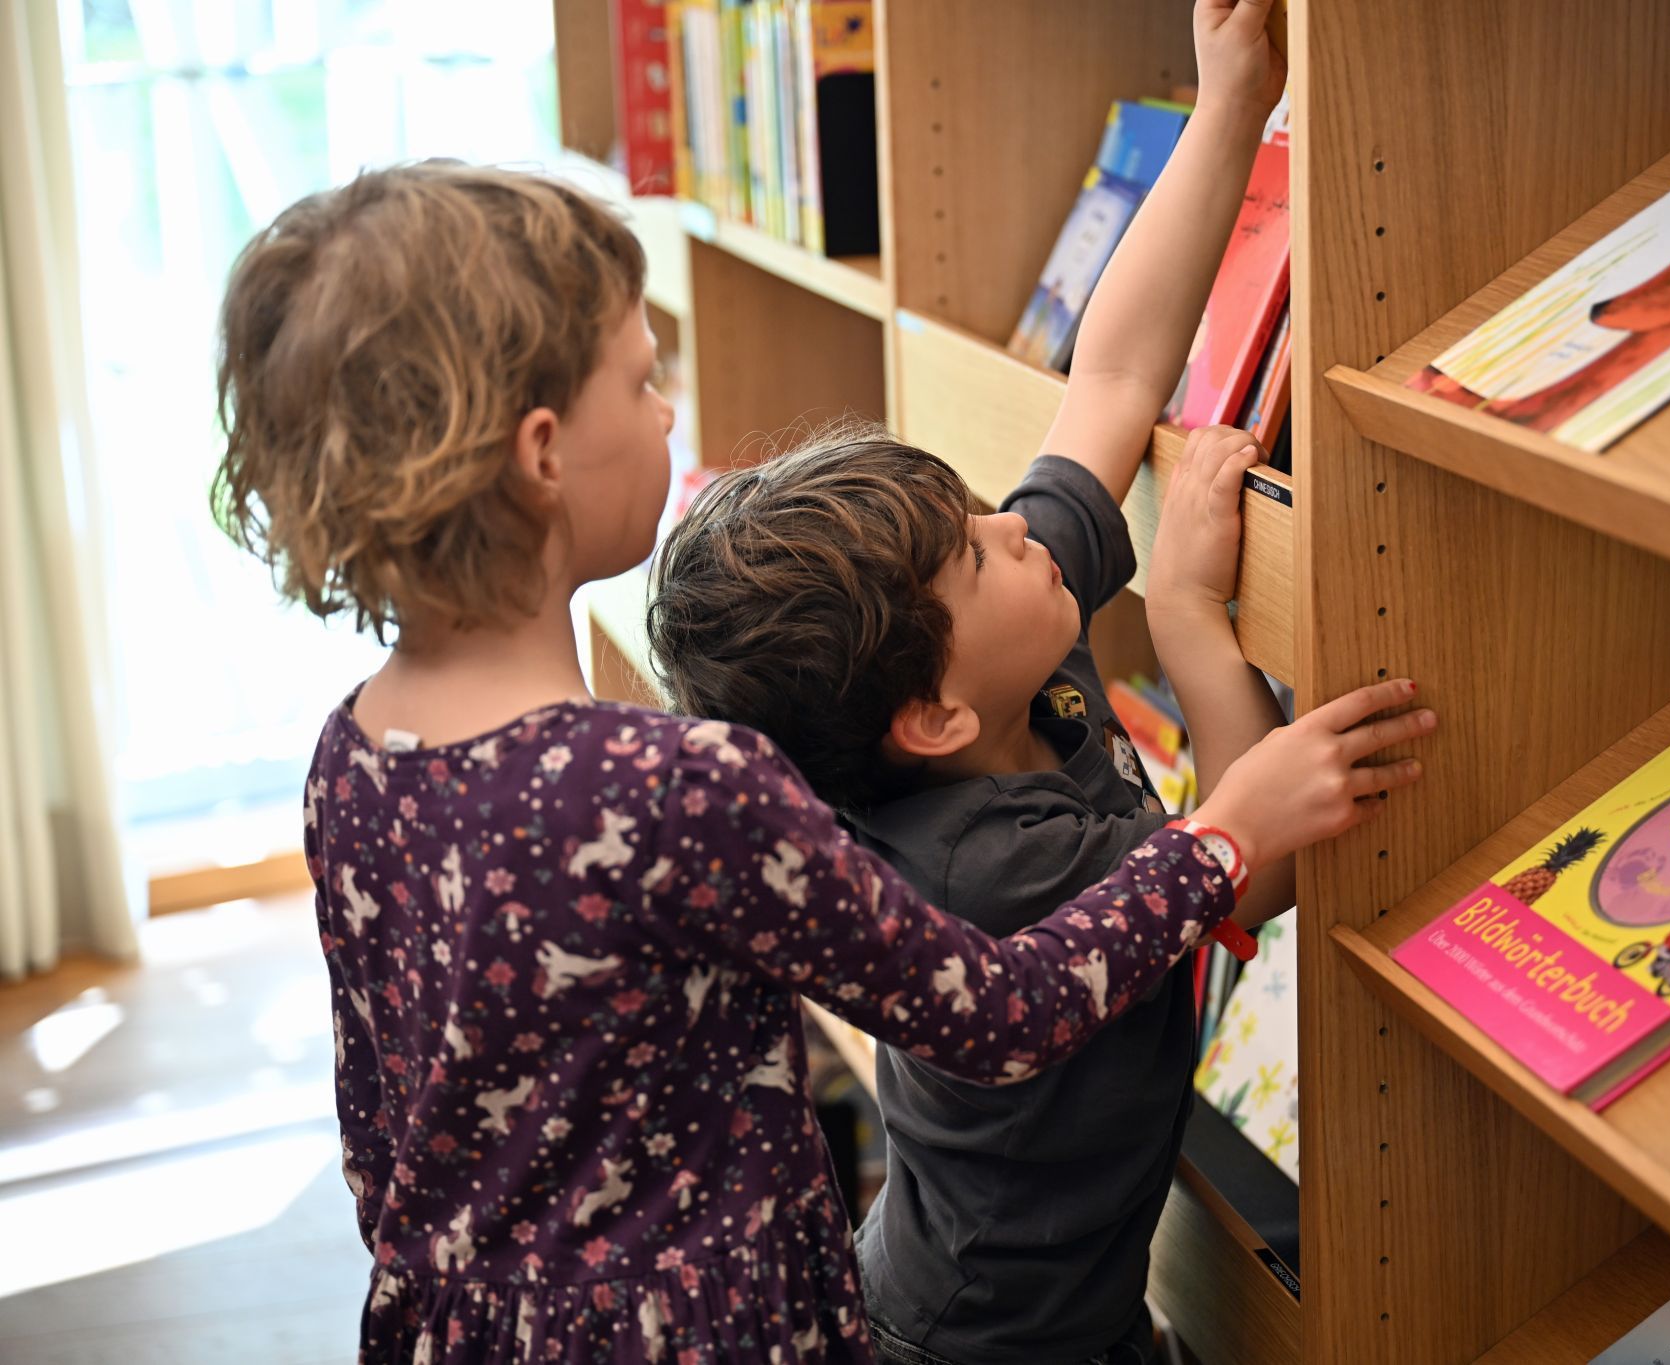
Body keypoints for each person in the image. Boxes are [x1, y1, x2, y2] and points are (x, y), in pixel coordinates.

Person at [211, 156, 1396, 1363]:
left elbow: (384, 1137)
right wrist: (1222, 835)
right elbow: (994, 1011)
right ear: (542, 452)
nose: (669, 411)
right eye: (640, 378)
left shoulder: (351, 753)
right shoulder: (666, 786)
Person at [644, 4, 1434, 1360]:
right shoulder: (986, 866)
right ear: (931, 715)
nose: (1017, 525)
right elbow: (1256, 857)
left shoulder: (988, 657)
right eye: (976, 546)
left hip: (1039, 1303)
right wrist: (1186, 616)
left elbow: (1115, 376)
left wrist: (1230, 99)